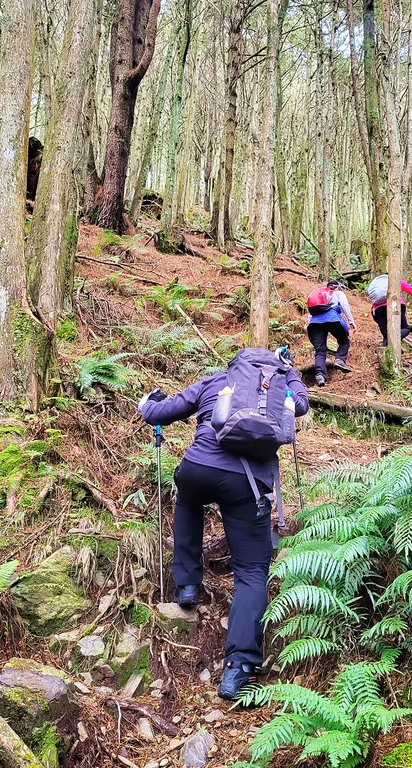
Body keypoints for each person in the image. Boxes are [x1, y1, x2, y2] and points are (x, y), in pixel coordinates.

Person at [138, 348, 309, 700]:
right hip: (246, 485)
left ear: (237, 366)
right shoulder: (282, 387)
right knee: (252, 571)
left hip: (198, 468)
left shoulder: (215, 381)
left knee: (188, 499)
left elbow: (159, 413)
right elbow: (302, 405)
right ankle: (238, 668)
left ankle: (186, 586)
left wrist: (147, 403)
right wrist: (290, 373)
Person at [306, 279, 356, 387]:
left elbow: (310, 314)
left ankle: (320, 375)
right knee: (343, 341)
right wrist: (351, 322)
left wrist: (310, 326)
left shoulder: (319, 296)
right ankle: (339, 360)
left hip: (315, 323)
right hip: (333, 319)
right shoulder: (338, 293)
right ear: (337, 287)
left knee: (320, 351)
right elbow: (344, 305)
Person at [367, 273, 412, 346]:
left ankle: (389, 348)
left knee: (386, 336)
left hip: (377, 311)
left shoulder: (376, 285)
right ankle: (392, 343)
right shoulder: (396, 282)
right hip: (395, 307)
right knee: (405, 329)